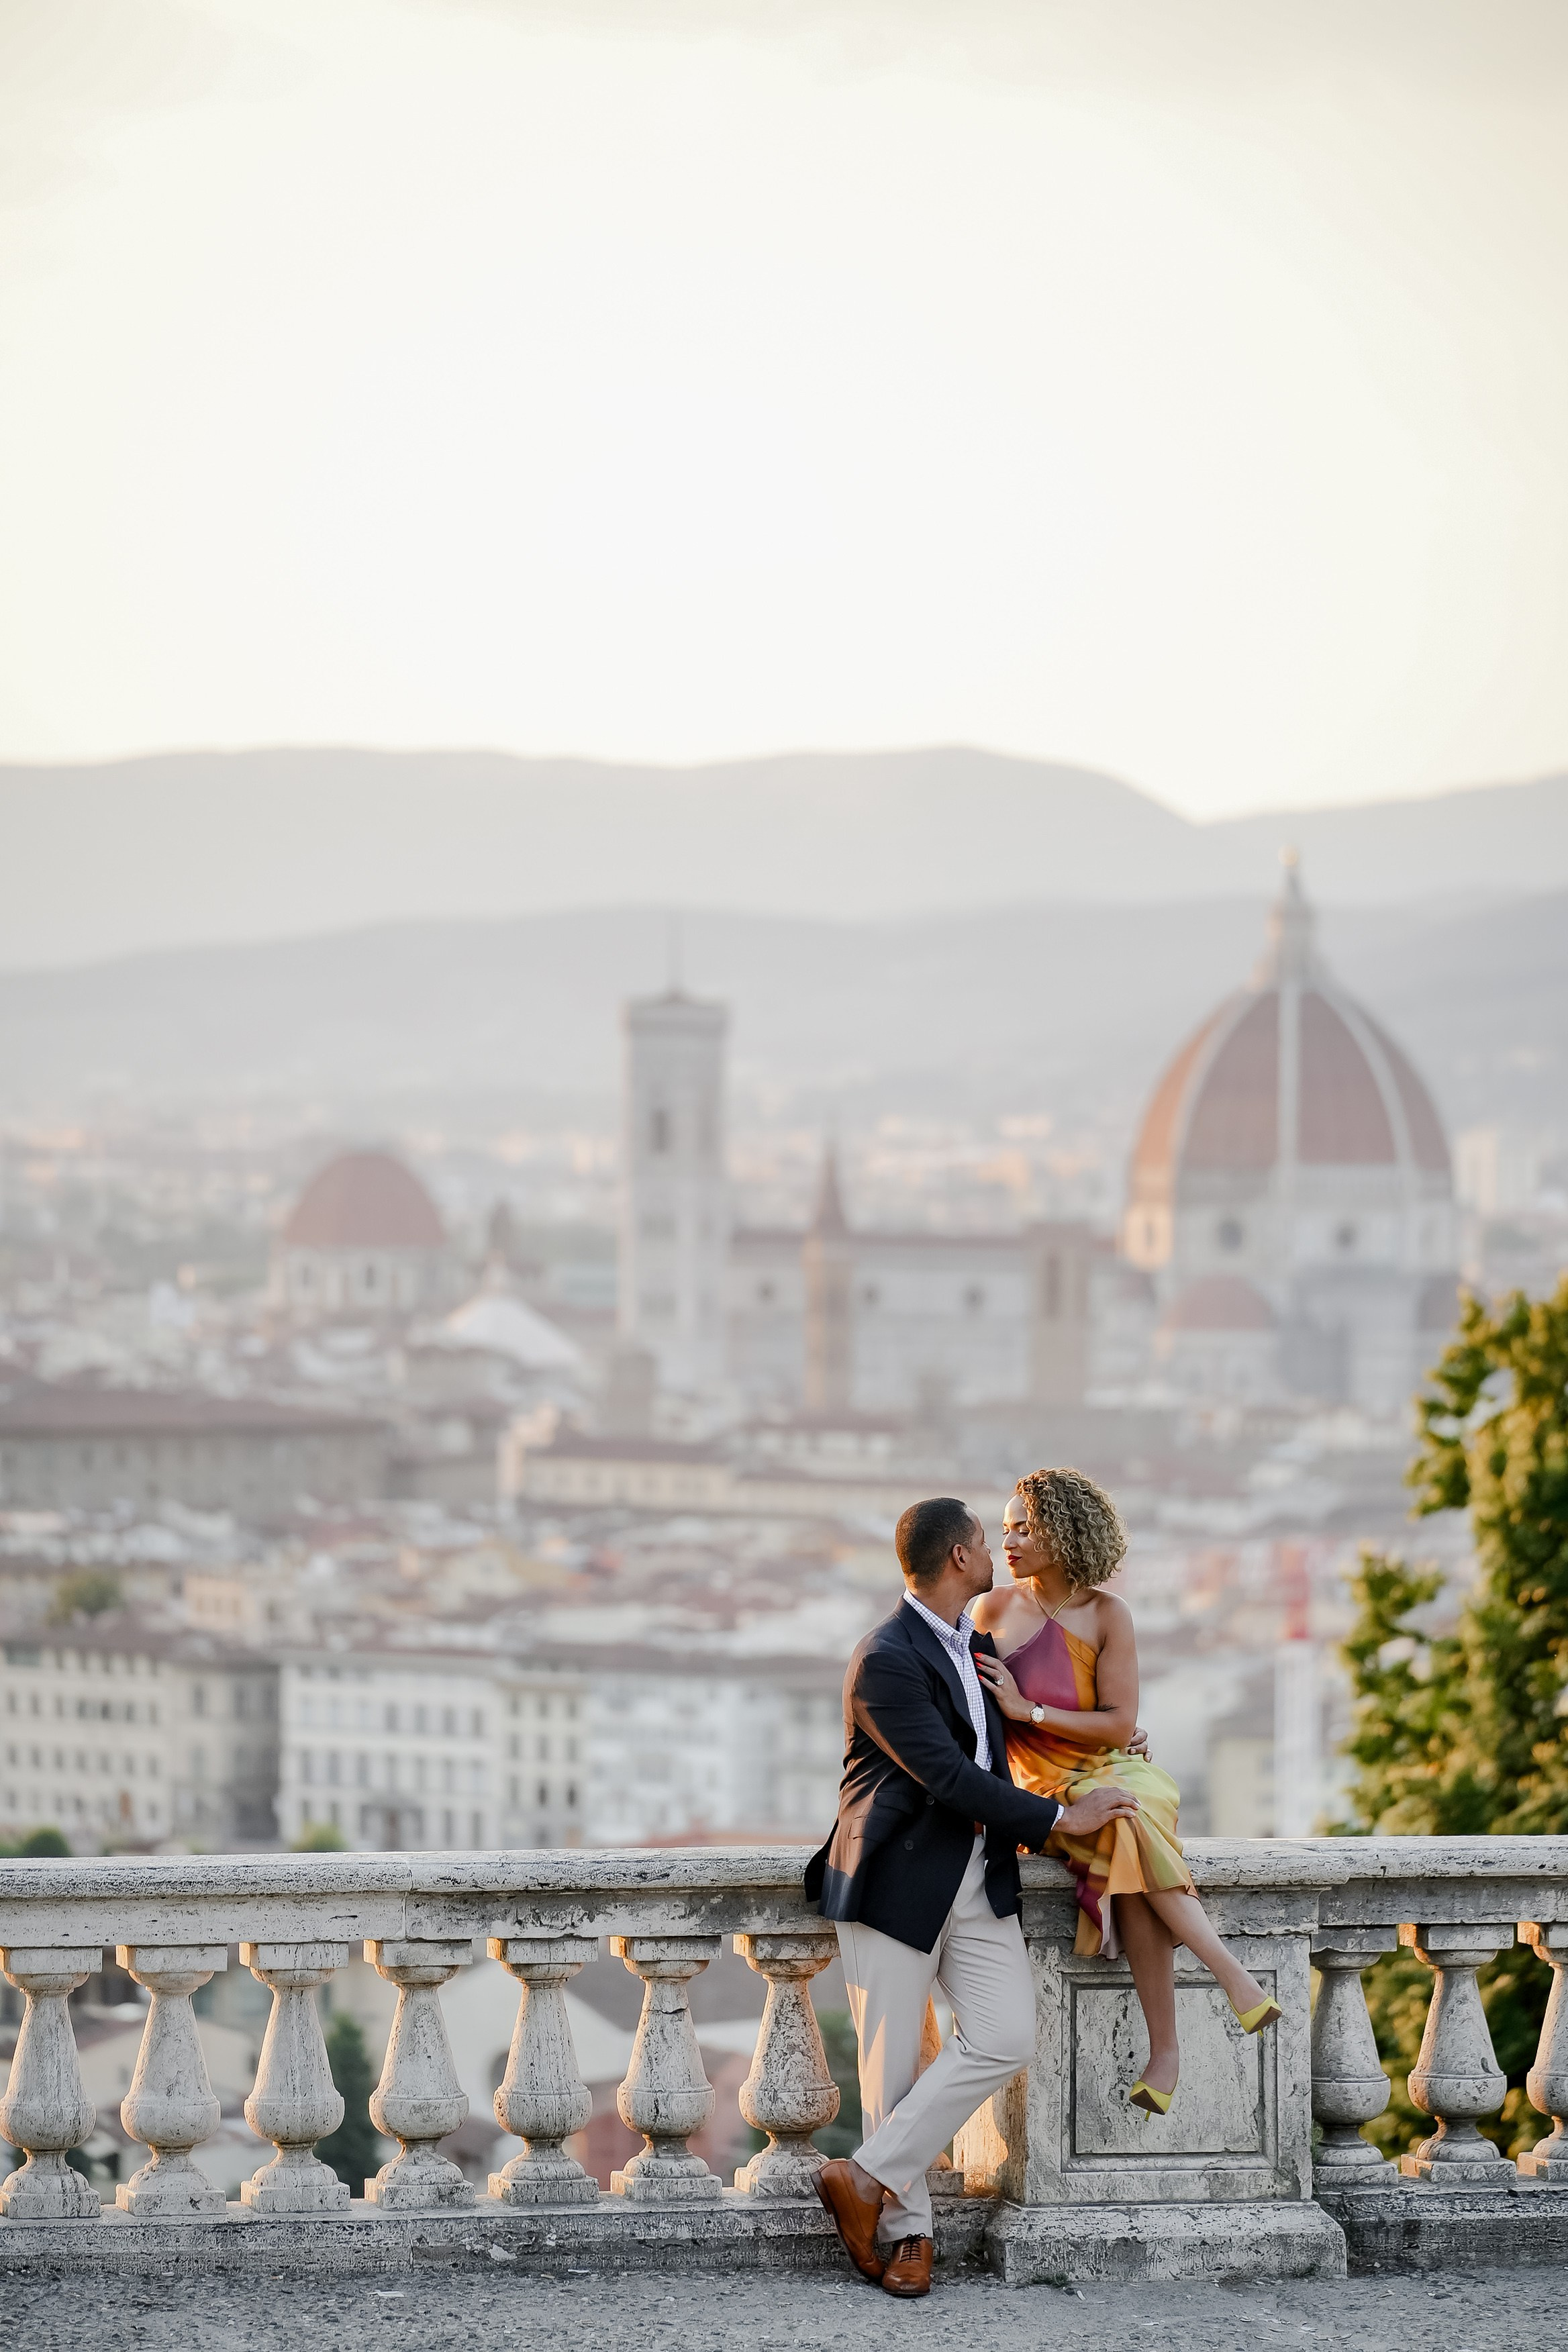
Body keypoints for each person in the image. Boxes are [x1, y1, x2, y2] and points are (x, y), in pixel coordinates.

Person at [804, 1495, 1142, 2300]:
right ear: (959, 1557)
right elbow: (949, 1778)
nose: (995, 1554)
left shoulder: (979, 1646)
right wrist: (1066, 1820)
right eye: (984, 1544)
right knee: (891, 2068)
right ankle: (909, 2236)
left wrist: (1115, 1745)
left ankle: (862, 2177)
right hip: (893, 1877)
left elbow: (1023, 1735)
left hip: (980, 1876)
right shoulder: (884, 1656)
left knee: (1003, 2035)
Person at [971, 1465, 1282, 2120]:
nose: (1009, 1540)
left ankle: (1170, 2044)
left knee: (1125, 1820)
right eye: (1004, 1529)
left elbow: (1115, 1723)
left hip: (1117, 1767)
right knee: (1122, 1836)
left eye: (1023, 1527)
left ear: (1062, 1531)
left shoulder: (1109, 1615)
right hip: (1046, 1785)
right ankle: (1225, 1983)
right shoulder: (991, 1609)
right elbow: (968, 1716)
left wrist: (1027, 1711)